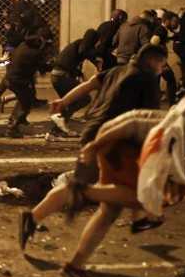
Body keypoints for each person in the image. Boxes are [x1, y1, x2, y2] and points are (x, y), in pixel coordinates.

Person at [18, 100, 185, 277]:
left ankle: (50, 236)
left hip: (122, 142)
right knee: (136, 197)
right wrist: (95, 146)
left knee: (110, 210)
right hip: (118, 140)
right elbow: (132, 125)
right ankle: (80, 194)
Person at [49, 44, 168, 186]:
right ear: (152, 61)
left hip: (92, 132)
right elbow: (150, 116)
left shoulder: (115, 71)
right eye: (162, 64)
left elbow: (89, 84)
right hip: (113, 138)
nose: (162, 69)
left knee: (92, 180)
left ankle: (69, 184)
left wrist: (63, 101)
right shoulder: (147, 79)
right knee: (90, 186)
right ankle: (62, 186)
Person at [47, 29, 100, 141]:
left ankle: (58, 129)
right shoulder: (82, 46)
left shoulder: (78, 44)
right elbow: (83, 52)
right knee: (84, 99)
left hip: (57, 76)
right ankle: (56, 130)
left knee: (69, 102)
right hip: (62, 77)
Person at [3, 28, 54, 138]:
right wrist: (54, 65)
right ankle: (12, 128)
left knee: (24, 99)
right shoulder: (35, 52)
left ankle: (17, 121)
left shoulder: (23, 45)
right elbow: (43, 68)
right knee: (26, 104)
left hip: (11, 77)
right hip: (19, 80)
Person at [151, 10, 180, 104]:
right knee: (171, 79)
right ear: (167, 21)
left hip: (156, 60)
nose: (175, 24)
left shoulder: (162, 30)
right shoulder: (161, 30)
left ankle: (154, 104)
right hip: (159, 61)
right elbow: (153, 43)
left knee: (156, 82)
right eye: (174, 21)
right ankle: (172, 103)